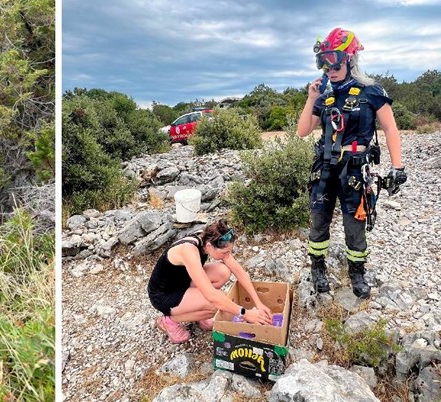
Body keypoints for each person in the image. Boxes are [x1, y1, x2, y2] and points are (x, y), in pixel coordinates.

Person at [296, 28, 406, 299]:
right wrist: (311, 97)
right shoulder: (325, 97)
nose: (327, 67)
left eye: (332, 59)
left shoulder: (372, 91)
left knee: (354, 224)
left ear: (349, 58)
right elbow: (303, 131)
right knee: (319, 219)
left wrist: (398, 166)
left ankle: (357, 271)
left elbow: (391, 129)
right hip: (325, 167)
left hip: (356, 168)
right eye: (322, 61)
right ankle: (317, 267)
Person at [148, 220, 273, 344]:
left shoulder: (208, 238)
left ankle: (197, 312)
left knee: (223, 271)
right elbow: (212, 296)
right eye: (224, 252)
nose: (227, 255)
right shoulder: (189, 250)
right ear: (209, 246)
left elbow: (238, 270)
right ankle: (169, 320)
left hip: (183, 281)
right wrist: (245, 314)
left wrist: (258, 302)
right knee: (216, 304)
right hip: (164, 294)